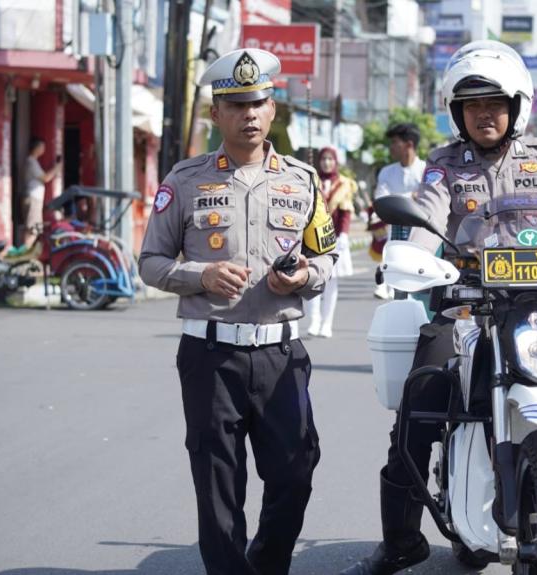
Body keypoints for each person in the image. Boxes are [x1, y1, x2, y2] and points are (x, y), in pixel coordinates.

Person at [339, 40, 537, 575]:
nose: (484, 114)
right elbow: (429, 217)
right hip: (468, 307)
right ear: (457, 113)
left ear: (516, 107)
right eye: (472, 105)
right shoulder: (444, 164)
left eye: (494, 103)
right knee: (418, 405)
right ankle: (401, 542)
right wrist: (415, 260)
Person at [138, 48, 338, 575]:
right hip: (210, 354)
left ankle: (266, 564)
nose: (249, 114)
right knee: (218, 483)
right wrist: (200, 275)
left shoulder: (302, 180)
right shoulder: (184, 180)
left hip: (280, 352)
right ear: (216, 114)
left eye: (257, 103)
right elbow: (151, 262)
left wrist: (302, 277)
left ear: (273, 109)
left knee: (295, 471)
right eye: (236, 105)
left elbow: (326, 258)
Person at [305, 146, 356, 338]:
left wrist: (344, 235)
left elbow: (345, 213)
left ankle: (327, 323)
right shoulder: (311, 180)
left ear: (335, 162)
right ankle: (314, 320)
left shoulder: (344, 184)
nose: (327, 162)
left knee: (332, 282)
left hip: (334, 239)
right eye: (323, 159)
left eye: (330, 159)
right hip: (312, 238)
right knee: (313, 280)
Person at [373, 123, 426, 299]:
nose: (391, 147)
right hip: (395, 232)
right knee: (397, 289)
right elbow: (381, 200)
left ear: (409, 144)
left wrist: (399, 199)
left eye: (395, 142)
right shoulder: (386, 172)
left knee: (417, 287)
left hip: (421, 235)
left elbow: (427, 201)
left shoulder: (426, 170)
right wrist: (411, 196)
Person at [14, 137, 61, 255]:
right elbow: (45, 178)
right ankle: (23, 255)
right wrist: (57, 168)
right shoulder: (31, 162)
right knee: (32, 229)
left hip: (34, 198)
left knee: (34, 228)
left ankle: (25, 254)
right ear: (37, 148)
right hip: (33, 198)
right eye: (42, 147)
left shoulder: (33, 162)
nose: (44, 150)